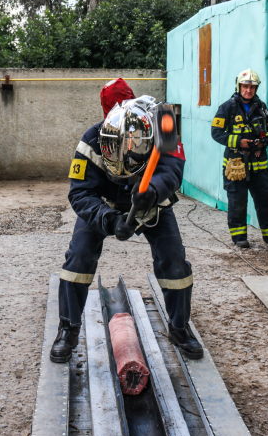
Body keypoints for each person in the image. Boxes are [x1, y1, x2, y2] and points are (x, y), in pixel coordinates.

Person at [50, 79, 203, 363]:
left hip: (151, 203)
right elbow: (80, 193)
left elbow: (173, 167)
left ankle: (180, 328)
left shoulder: (163, 123)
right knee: (78, 258)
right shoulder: (92, 139)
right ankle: (68, 329)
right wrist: (109, 220)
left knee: (175, 262)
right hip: (105, 206)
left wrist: (154, 190)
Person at [211, 69, 268, 248]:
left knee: (267, 202)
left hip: (259, 167)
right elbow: (216, 133)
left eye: (252, 87)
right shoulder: (226, 107)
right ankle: (239, 238)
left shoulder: (261, 107)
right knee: (237, 202)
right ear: (239, 86)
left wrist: (264, 142)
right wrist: (240, 142)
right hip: (236, 165)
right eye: (245, 86)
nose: (248, 90)